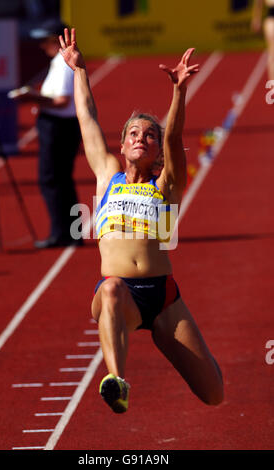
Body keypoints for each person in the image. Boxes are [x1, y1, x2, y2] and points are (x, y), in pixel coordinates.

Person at [59, 28, 224, 413]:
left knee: (214, 394)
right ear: (121, 144)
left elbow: (175, 135)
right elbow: (88, 119)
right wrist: (79, 70)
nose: (141, 138)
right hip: (119, 294)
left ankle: (193, 359)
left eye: (149, 135)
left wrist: (179, 91)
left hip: (163, 296)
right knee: (113, 289)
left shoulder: (166, 185)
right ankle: (117, 379)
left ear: (156, 149)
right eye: (133, 132)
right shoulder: (107, 176)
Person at [15, 20, 82, 248]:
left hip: (58, 127)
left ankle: (63, 233)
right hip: (59, 126)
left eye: (45, 41)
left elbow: (62, 101)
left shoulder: (63, 64)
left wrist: (32, 97)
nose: (41, 46)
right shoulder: (59, 62)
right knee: (61, 180)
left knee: (52, 180)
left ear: (56, 39)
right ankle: (71, 232)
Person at [251, 0, 274, 80]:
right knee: (272, 54)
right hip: (271, 19)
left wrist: (256, 19)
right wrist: (256, 18)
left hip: (270, 20)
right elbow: (258, 2)